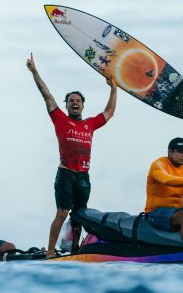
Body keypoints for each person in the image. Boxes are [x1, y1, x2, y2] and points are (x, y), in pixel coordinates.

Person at [26, 52, 117, 257]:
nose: (75, 103)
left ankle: (75, 249)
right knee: (62, 212)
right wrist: (34, 71)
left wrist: (113, 88)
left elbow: (109, 112)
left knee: (79, 215)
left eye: (78, 100)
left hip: (83, 177)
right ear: (66, 105)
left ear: (83, 105)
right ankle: (50, 251)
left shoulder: (90, 124)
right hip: (66, 174)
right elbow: (47, 95)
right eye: (71, 101)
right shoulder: (60, 119)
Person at [145, 137, 183, 250]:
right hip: (155, 212)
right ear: (169, 152)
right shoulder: (158, 164)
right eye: (179, 151)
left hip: (175, 210)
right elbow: (166, 179)